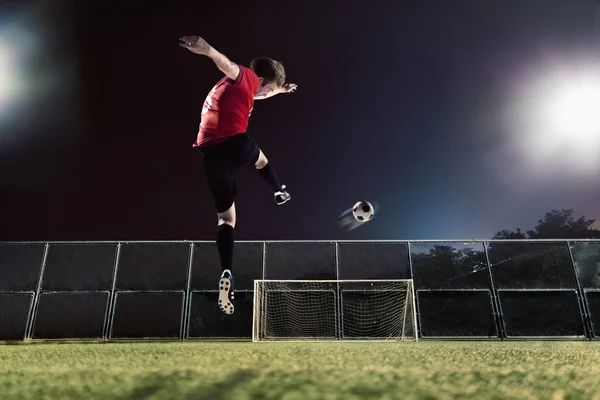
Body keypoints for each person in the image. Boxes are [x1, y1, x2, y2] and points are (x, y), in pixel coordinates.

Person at [179, 35, 296, 315]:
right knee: (262, 161)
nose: (265, 94)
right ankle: (279, 189)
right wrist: (208, 50)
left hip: (209, 154)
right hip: (235, 143)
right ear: (263, 80)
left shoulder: (245, 87)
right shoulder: (243, 75)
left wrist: (280, 91)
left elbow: (258, 92)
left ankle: (227, 272)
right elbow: (228, 65)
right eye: (270, 90)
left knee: (226, 218)